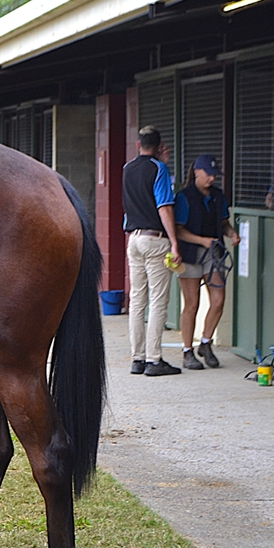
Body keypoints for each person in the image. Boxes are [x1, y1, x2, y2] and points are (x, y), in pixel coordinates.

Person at [123, 125, 182, 376]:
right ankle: (154, 359)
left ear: (138, 144)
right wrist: (174, 241)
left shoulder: (127, 169)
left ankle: (137, 358)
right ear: (159, 146)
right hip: (155, 239)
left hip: (133, 239)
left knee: (137, 300)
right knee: (158, 301)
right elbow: (164, 206)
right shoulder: (159, 169)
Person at [174, 155, 241, 369]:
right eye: (208, 174)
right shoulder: (184, 197)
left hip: (214, 254)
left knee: (218, 299)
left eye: (214, 175)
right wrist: (202, 241)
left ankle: (206, 342)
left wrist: (232, 233)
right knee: (192, 303)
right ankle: (187, 351)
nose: (212, 178)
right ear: (197, 172)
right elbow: (179, 230)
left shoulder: (218, 196)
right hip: (191, 254)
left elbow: (223, 223)